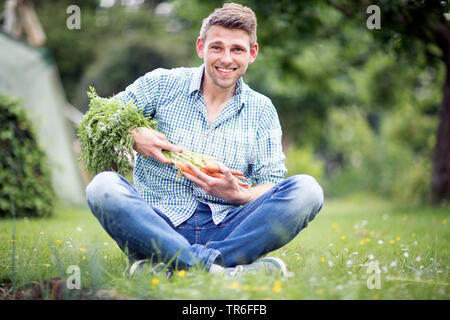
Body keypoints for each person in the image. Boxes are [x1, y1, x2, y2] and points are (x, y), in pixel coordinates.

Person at [86, 3, 324, 277]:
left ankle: (172, 267)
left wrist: (240, 195)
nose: (226, 59)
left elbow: (271, 181)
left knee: (307, 190)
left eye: (237, 49)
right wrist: (133, 135)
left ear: (252, 53)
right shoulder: (162, 84)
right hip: (158, 223)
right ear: (201, 47)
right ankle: (222, 270)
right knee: (102, 187)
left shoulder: (262, 110)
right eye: (217, 47)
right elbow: (96, 117)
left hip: (229, 229)